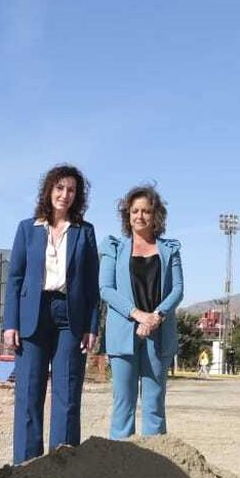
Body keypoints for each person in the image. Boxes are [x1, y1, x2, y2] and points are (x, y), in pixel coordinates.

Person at [2, 165, 99, 464]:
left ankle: (64, 466)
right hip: (32, 315)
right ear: (48, 190)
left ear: (77, 196)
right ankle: (26, 468)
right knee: (29, 394)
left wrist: (92, 326)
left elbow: (92, 284)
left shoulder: (85, 231)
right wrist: (10, 323)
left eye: (71, 190)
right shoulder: (26, 228)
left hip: (70, 317)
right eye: (59, 188)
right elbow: (15, 279)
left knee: (67, 395)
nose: (64, 195)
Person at [99, 184, 183, 439]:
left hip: (159, 334)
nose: (139, 216)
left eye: (146, 211)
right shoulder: (114, 247)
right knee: (122, 406)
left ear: (155, 215)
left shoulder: (170, 249)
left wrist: (156, 317)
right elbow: (105, 288)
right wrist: (138, 315)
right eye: (134, 210)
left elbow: (178, 289)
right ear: (127, 214)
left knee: (154, 405)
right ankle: (120, 467)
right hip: (123, 335)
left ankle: (154, 468)